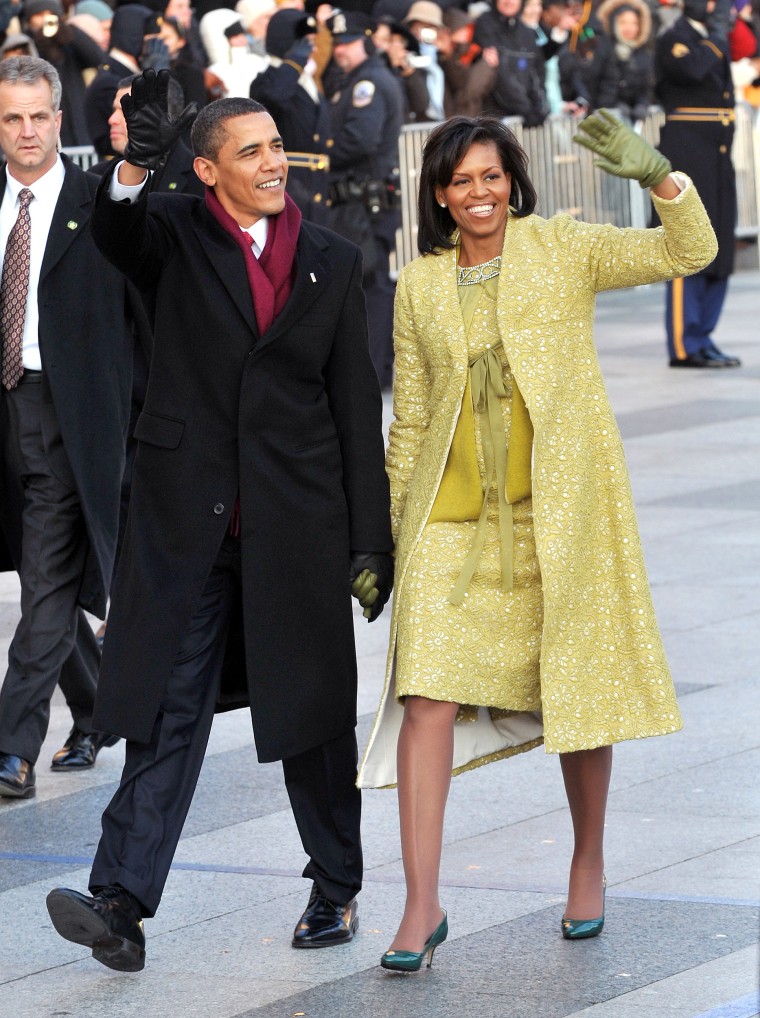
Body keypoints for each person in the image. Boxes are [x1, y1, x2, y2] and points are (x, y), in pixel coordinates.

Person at [45, 71, 394, 972]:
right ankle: (119, 901)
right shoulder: (169, 232)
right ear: (206, 170)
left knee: (313, 722)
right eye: (252, 152)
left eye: (277, 146)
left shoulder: (333, 257)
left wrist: (369, 539)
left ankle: (336, 886)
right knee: (165, 714)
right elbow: (114, 228)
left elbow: (356, 409)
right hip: (187, 532)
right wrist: (132, 161)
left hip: (297, 530)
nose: (275, 162)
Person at [357, 110, 718, 971]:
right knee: (426, 695)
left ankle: (587, 862)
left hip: (561, 514)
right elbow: (408, 420)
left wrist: (658, 176)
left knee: (580, 690)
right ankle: (420, 905)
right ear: (438, 197)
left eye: (491, 177)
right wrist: (377, 536)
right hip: (451, 524)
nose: (478, 194)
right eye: (460, 182)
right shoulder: (419, 286)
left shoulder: (564, 247)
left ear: (512, 181)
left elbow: (689, 253)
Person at [0, 56, 132, 798]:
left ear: (59, 118)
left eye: (37, 116)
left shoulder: (98, 205)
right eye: (12, 118)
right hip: (4, 410)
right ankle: (94, 705)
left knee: (47, 570)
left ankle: (12, 744)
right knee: (38, 565)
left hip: (66, 414)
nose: (26, 131)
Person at [654, 0, 742, 367]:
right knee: (688, 246)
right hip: (689, 154)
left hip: (718, 156)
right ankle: (684, 343)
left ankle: (703, 335)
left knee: (719, 246)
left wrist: (727, 32)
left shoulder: (713, 37)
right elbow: (691, 71)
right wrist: (716, 38)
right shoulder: (674, 38)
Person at [325, 10, 403, 390]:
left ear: (367, 41)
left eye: (349, 43)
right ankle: (378, 367)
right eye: (338, 44)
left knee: (370, 286)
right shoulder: (356, 78)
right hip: (365, 202)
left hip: (365, 202)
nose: (342, 51)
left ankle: (373, 370)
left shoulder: (367, 83)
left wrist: (318, 153)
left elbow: (360, 140)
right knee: (371, 284)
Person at [249, 9, 332, 222]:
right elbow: (274, 98)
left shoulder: (307, 80)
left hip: (317, 188)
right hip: (289, 186)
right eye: (306, 41)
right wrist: (294, 63)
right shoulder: (266, 80)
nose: (311, 48)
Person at [597, 0, 655, 123]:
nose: (629, 28)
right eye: (623, 22)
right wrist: (614, 104)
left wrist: (642, 104)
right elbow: (598, 84)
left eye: (634, 23)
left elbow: (647, 87)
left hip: (633, 120)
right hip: (607, 118)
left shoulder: (644, 55)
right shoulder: (604, 50)